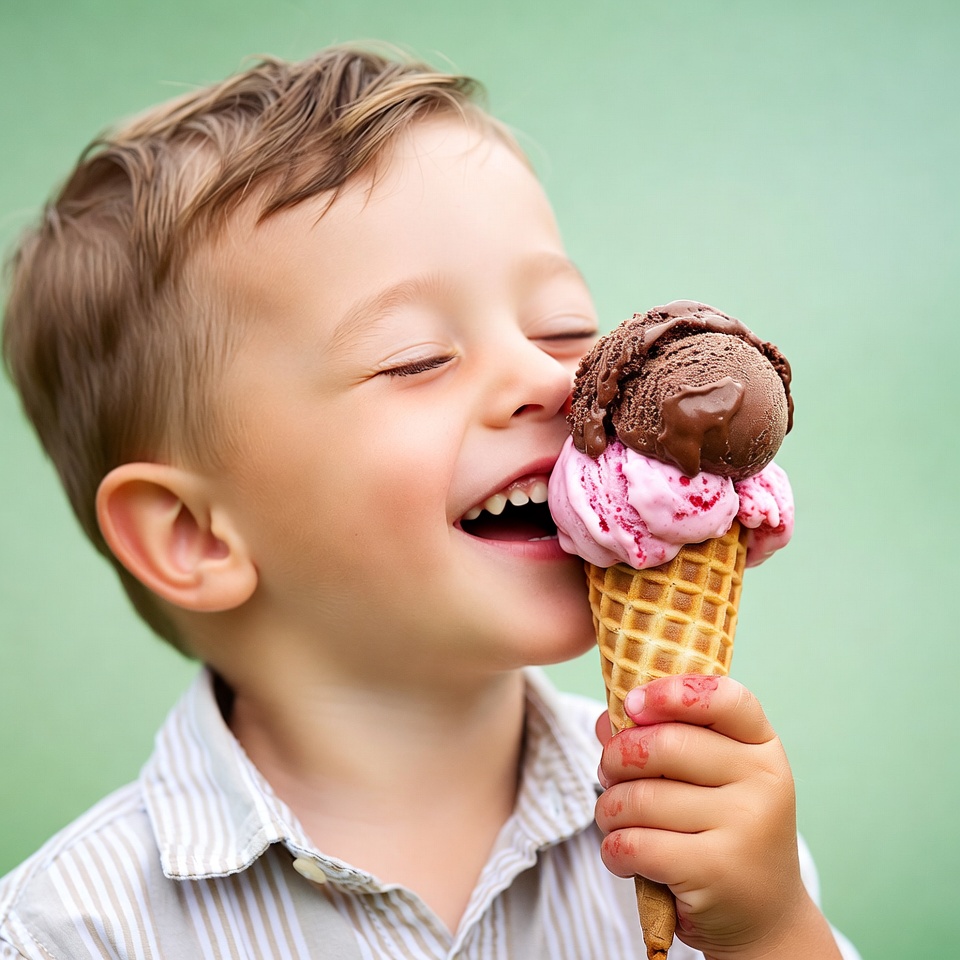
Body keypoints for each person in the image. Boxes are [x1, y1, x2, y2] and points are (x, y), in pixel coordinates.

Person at [0, 45, 859, 959]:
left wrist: (771, 930)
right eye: (416, 358)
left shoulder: (708, 835)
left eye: (563, 328)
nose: (548, 378)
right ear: (194, 533)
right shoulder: (77, 928)